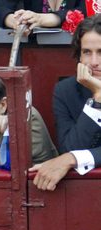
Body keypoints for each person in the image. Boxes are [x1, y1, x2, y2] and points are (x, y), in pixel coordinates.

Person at [29, 14, 101, 191]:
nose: (94, 62)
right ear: (78, 57)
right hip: (82, 193)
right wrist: (98, 98)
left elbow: (71, 154)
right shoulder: (65, 91)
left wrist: (72, 159)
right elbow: (71, 147)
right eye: (87, 52)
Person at [0, 0, 86, 32]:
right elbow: (0, 6)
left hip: (78, 53)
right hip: (32, 52)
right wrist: (16, 21)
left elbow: (89, 11)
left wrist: (42, 19)